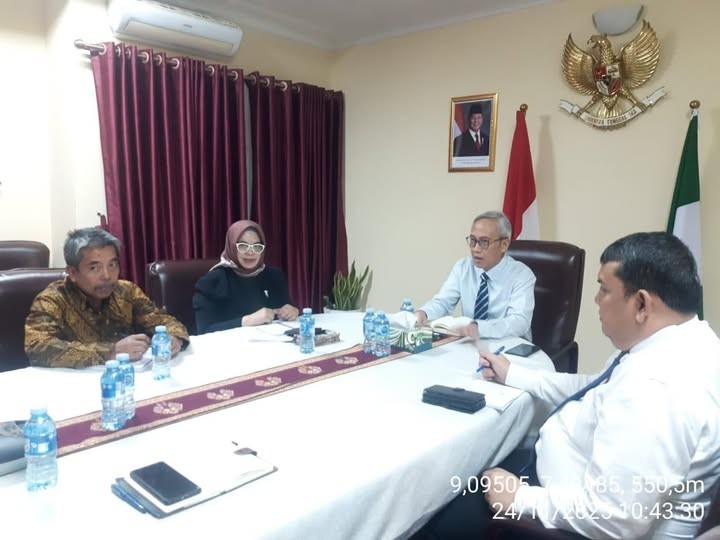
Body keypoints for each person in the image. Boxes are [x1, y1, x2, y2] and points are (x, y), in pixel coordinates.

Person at [421, 232, 720, 540]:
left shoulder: (656, 388)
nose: (596, 300)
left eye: (604, 289)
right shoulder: (686, 340)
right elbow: (595, 387)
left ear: (641, 303)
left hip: (567, 519)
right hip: (570, 482)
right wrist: (514, 374)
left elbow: (614, 519)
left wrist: (519, 498)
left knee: (438, 515)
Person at [25, 227, 189, 369]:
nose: (107, 276)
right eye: (94, 268)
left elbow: (163, 321)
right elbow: (38, 347)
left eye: (112, 265)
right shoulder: (52, 300)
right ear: (72, 272)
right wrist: (110, 352)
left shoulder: (127, 291)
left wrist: (174, 338)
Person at [415, 211, 535, 340]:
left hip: (510, 345)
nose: (475, 249)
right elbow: (443, 302)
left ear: (504, 245)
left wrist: (478, 328)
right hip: (472, 343)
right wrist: (424, 313)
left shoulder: (522, 275)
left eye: (484, 242)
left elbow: (519, 322)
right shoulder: (463, 267)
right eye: (473, 240)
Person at [193, 220, 299, 334]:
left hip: (273, 342)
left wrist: (291, 311)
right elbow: (204, 330)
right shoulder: (212, 282)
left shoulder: (274, 276)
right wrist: (246, 321)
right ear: (232, 247)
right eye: (243, 246)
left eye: (257, 247)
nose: (250, 252)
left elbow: (284, 310)